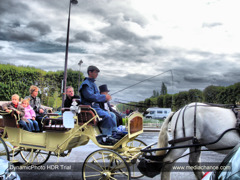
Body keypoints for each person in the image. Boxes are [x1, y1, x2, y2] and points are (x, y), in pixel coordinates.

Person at [79, 65, 117, 144]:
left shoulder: (92, 83)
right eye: (95, 72)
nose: (97, 74)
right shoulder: (86, 84)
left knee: (113, 115)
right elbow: (90, 96)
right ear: (90, 72)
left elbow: (96, 97)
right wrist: (104, 97)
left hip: (96, 107)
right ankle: (106, 137)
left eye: (97, 73)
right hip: (91, 108)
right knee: (106, 116)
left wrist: (105, 99)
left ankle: (114, 134)